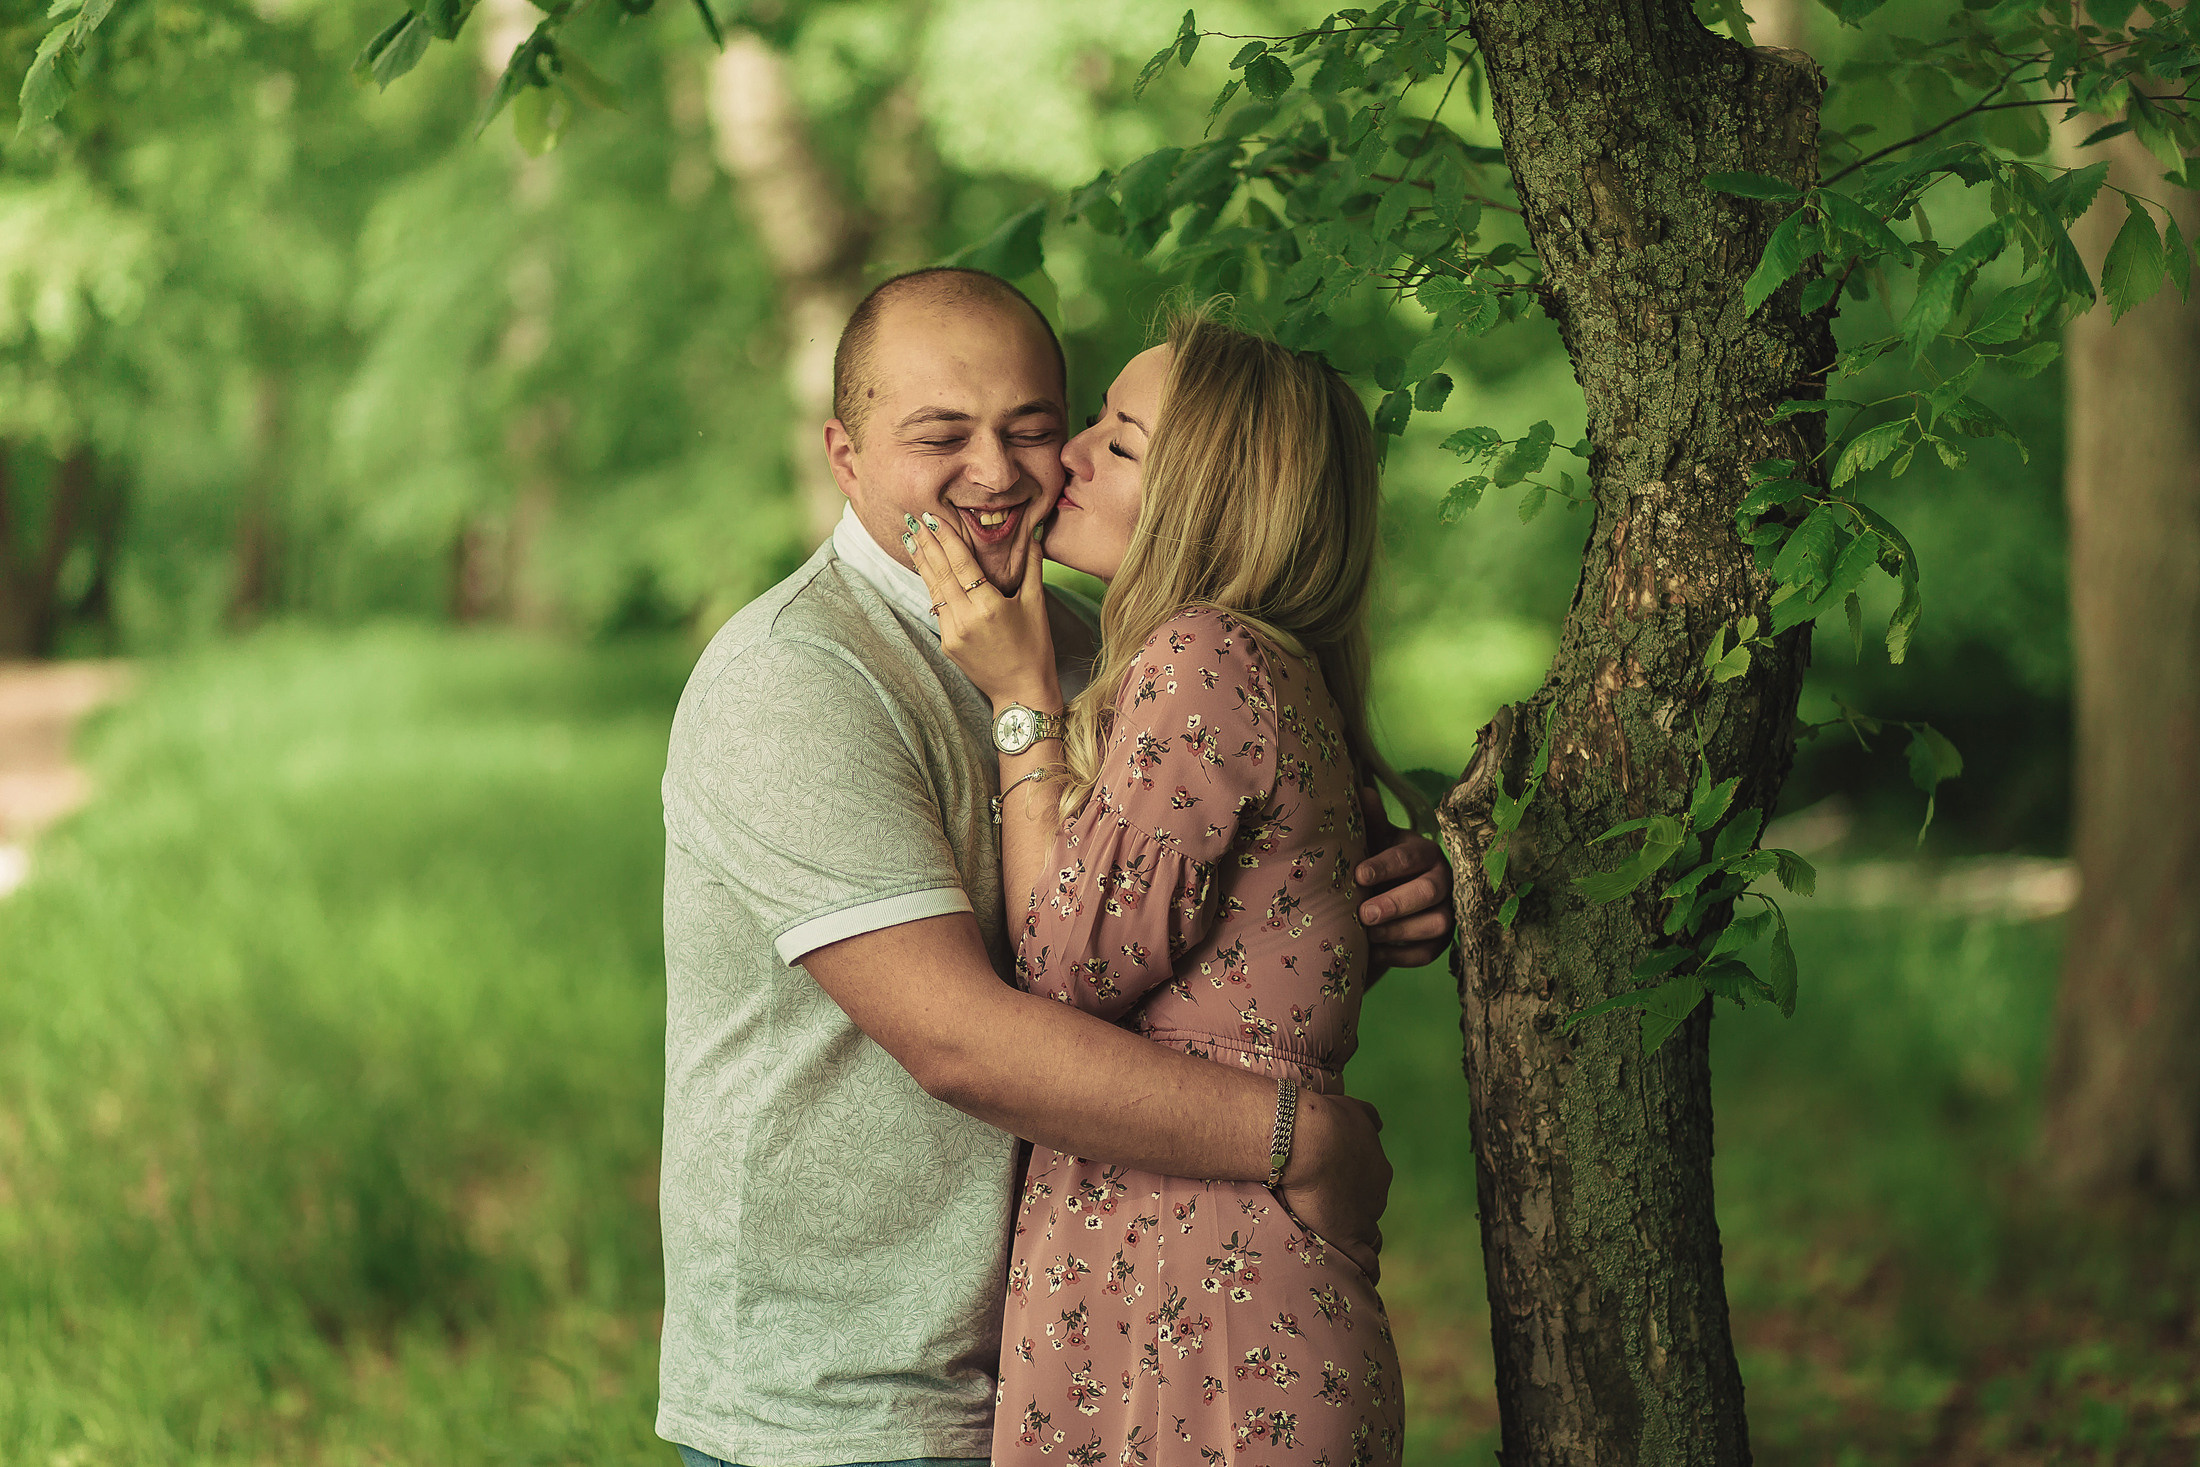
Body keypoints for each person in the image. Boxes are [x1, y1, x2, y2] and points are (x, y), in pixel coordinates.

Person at [657, 268, 1453, 1467]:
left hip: (1096, 1350)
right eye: (941, 436)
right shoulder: (798, 677)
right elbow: (963, 1041)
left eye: (1033, 427)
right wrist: (1303, 1136)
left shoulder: (1108, 649)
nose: (999, 472)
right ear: (844, 454)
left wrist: (1360, 902)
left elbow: (1205, 949)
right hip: (853, 1399)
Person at [910, 312, 1413, 1465]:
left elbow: (1064, 968)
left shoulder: (1202, 656)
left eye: (1120, 443)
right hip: (1169, 1263)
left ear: (1210, 504)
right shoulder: (1234, 661)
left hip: (1214, 1283)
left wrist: (1020, 700)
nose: (1069, 456)